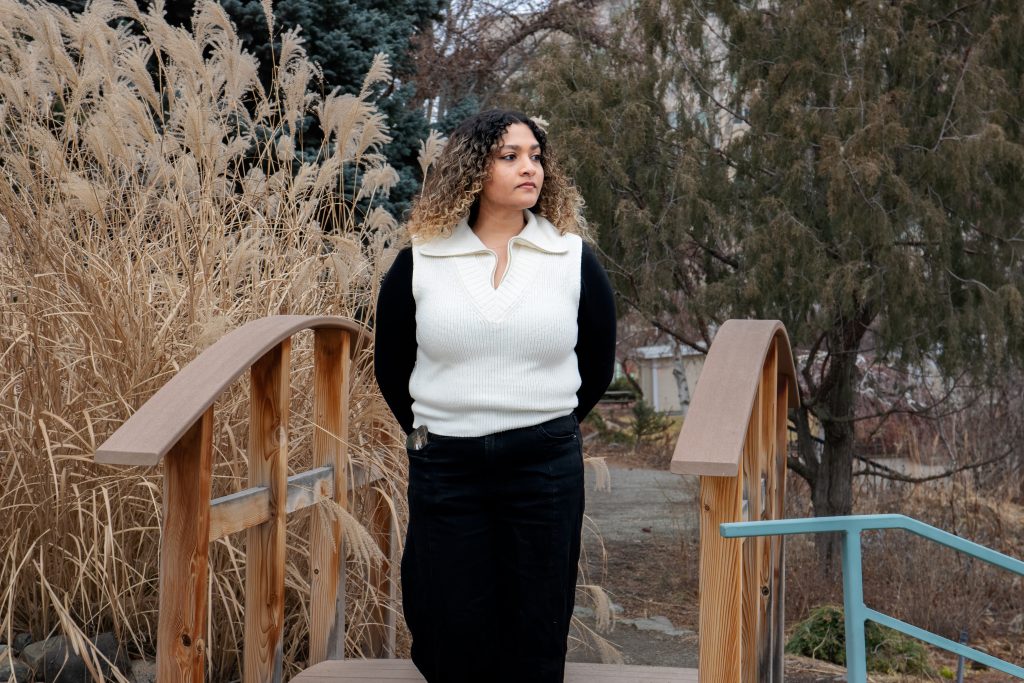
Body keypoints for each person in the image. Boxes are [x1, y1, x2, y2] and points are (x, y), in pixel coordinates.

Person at [373, 109, 616, 682]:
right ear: (472, 171)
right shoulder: (421, 260)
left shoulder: (572, 259)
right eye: (510, 157)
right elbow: (391, 365)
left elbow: (596, 364)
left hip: (544, 466)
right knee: (449, 623)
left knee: (537, 623)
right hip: (447, 466)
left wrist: (542, 421)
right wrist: (438, 427)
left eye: (535, 156)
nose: (529, 167)